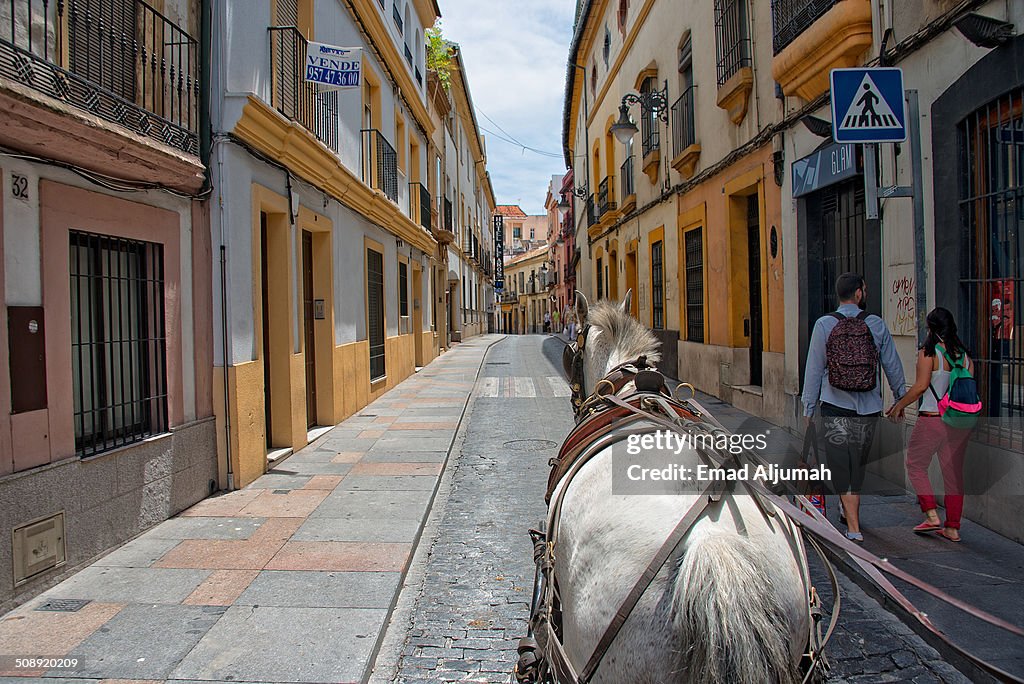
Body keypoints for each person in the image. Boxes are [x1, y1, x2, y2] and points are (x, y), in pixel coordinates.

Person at [801, 273, 907, 542]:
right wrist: (900, 397)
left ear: (840, 295)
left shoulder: (824, 325)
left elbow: (814, 369)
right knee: (857, 466)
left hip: (835, 406)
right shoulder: (876, 324)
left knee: (841, 466)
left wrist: (808, 408)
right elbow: (892, 364)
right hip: (868, 408)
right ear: (859, 293)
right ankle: (850, 516)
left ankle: (854, 528)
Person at [885, 308, 972, 542]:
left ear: (931, 328)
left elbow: (920, 387)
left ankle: (931, 514)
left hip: (932, 419)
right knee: (953, 475)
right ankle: (952, 527)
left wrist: (898, 405)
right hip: (958, 423)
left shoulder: (929, 353)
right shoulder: (965, 356)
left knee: (915, 464)